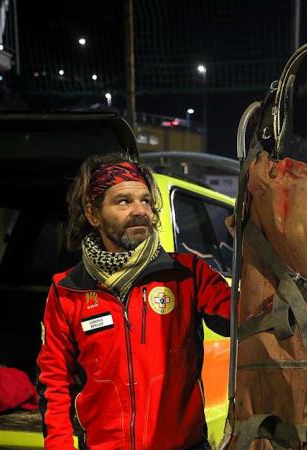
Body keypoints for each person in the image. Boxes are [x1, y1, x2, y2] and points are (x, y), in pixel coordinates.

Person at [36, 153, 231, 450]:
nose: (140, 211)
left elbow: (244, 317)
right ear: (93, 214)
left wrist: (258, 244)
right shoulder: (67, 290)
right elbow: (54, 382)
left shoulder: (187, 274)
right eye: (123, 201)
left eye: (146, 201)